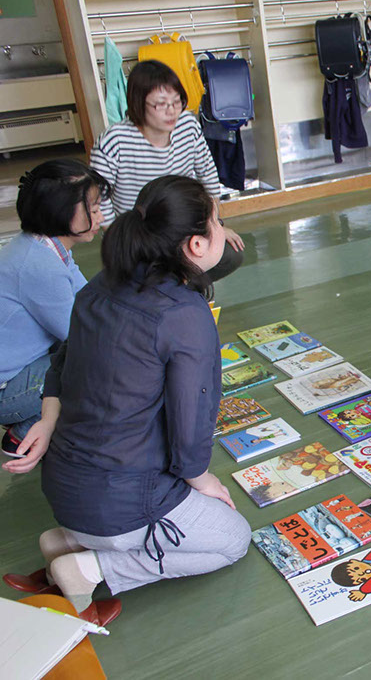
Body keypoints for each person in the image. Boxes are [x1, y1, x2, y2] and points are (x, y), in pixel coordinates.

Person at [2, 175, 250, 613]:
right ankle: (91, 567)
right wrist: (201, 479)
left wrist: (47, 418)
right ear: (196, 245)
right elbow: (191, 421)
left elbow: (62, 359)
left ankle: (67, 541)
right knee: (233, 539)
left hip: (63, 488)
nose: (222, 230)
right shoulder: (185, 315)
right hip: (119, 501)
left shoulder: (102, 283)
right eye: (217, 222)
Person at [89, 59, 245, 281]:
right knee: (148, 277)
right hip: (140, 237)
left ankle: (183, 289)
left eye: (177, 101)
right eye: (161, 104)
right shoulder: (114, 141)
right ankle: (172, 289)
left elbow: (209, 178)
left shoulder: (188, 126)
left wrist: (214, 227)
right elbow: (98, 198)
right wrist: (121, 241)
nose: (172, 111)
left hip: (182, 232)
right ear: (138, 103)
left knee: (229, 254)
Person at [0, 160, 108, 455]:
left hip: (21, 367)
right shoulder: (40, 266)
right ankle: (24, 433)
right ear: (60, 213)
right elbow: (83, 335)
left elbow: (88, 298)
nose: (100, 216)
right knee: (96, 366)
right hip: (7, 389)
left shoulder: (46, 246)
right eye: (93, 209)